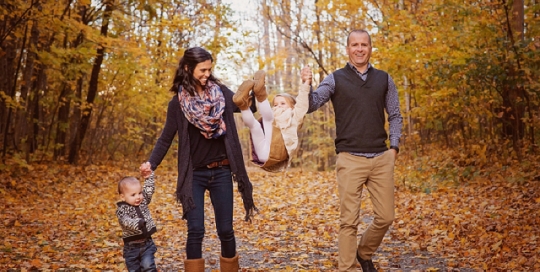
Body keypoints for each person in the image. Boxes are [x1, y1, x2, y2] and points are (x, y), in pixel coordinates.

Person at [139, 47, 256, 272]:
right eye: (202, 70)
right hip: (194, 174)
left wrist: (257, 93)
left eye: (209, 69)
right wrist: (151, 163)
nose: (206, 74)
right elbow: (165, 138)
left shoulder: (220, 93)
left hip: (222, 170)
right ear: (187, 68)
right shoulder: (177, 104)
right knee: (195, 230)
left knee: (225, 230)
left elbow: (244, 105)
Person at [303, 29, 403, 272]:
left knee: (385, 217)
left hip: (381, 158)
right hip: (350, 159)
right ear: (347, 49)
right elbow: (312, 104)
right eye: (355, 45)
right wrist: (306, 85)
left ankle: (364, 252)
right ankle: (346, 268)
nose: (359, 49)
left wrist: (394, 148)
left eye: (364, 45)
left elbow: (396, 115)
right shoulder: (335, 78)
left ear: (370, 48)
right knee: (349, 221)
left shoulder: (384, 79)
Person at [232, 68, 312, 172]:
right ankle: (243, 105)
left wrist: (306, 83)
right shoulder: (271, 116)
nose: (278, 106)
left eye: (283, 104)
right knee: (254, 126)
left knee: (268, 118)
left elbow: (302, 102)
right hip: (263, 154)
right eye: (275, 104)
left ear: (292, 106)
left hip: (276, 152)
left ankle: (260, 94)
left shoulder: (294, 116)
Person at [116, 172, 158, 272]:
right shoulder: (122, 210)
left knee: (148, 266)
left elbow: (148, 191)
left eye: (139, 193)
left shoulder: (142, 202)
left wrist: (149, 178)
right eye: (133, 195)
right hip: (131, 248)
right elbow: (125, 221)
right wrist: (137, 223)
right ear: (123, 197)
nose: (138, 197)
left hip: (147, 244)